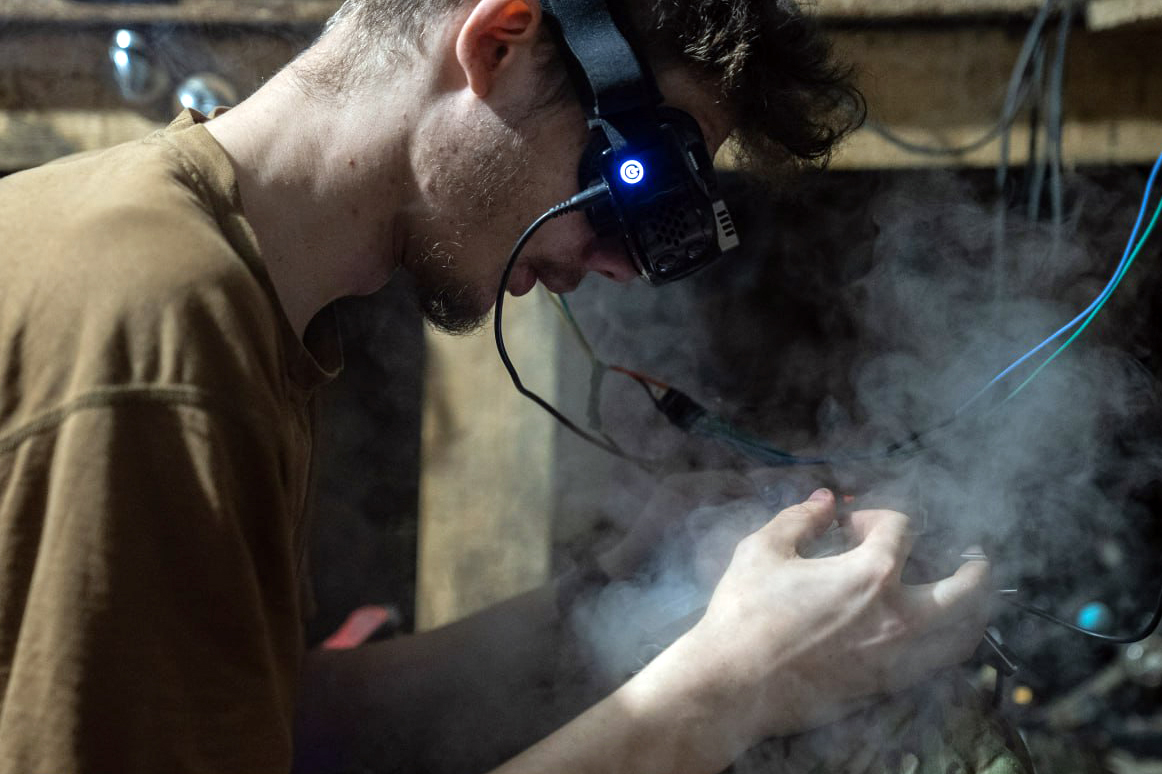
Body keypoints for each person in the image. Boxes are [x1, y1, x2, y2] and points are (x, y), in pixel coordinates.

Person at [0, 0, 992, 772]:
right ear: (499, 43)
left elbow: (259, 719)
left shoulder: (208, 277)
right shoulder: (160, 331)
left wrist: (615, 605)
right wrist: (731, 688)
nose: (622, 264)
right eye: (638, 174)